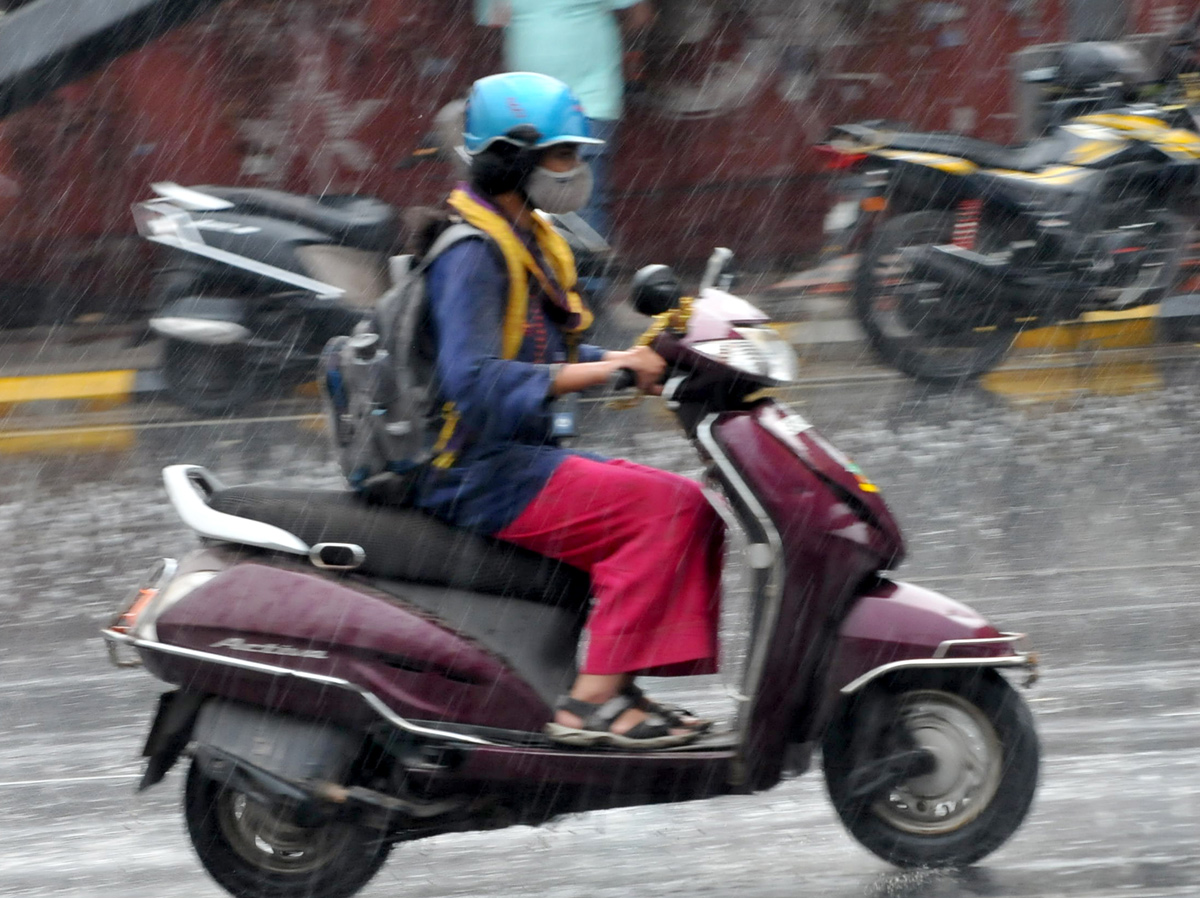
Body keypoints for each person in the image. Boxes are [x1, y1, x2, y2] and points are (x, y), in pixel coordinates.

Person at [409, 71, 724, 750]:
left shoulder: (527, 234)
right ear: (509, 161)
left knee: (686, 503)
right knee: (662, 509)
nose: (575, 170)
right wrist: (610, 368)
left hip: (516, 458)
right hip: (472, 469)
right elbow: (474, 382)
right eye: (561, 156)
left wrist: (645, 359)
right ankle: (587, 706)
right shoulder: (472, 252)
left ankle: (618, 684)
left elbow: (560, 351)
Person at [475, 0, 655, 304]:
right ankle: (555, 295)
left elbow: (640, 15)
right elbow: (494, 21)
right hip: (529, 105)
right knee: (537, 199)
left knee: (581, 200)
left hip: (587, 99)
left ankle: (585, 298)